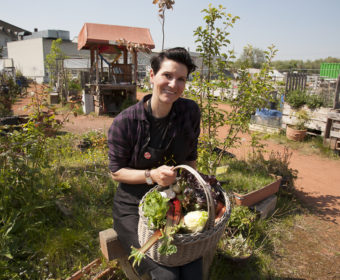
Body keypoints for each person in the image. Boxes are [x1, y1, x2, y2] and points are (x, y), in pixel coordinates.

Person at [108, 47, 201, 280]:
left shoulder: (189, 112)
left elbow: (190, 158)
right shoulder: (126, 122)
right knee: (164, 271)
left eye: (181, 79)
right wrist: (151, 175)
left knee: (191, 264)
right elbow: (116, 172)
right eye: (167, 76)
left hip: (172, 198)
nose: (173, 84)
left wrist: (189, 191)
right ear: (152, 76)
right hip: (133, 204)